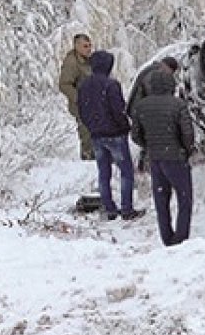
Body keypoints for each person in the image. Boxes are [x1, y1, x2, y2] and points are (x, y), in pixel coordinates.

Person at [131, 68, 195, 245]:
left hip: (155, 158)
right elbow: (187, 133)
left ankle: (167, 238)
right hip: (176, 158)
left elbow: (135, 135)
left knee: (161, 200)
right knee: (184, 198)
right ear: (171, 84)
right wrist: (186, 149)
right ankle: (181, 238)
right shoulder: (178, 105)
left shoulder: (141, 106)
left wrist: (149, 145)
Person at [78, 50, 141, 220]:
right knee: (126, 172)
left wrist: (91, 126)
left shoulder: (84, 85)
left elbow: (82, 110)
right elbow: (118, 110)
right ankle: (127, 209)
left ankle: (109, 208)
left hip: (96, 135)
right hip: (115, 134)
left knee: (103, 172)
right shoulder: (111, 85)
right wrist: (125, 126)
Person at [127, 56, 180, 172]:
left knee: (148, 139)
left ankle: (146, 165)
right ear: (168, 67)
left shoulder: (151, 69)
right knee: (150, 139)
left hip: (139, 109)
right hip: (143, 111)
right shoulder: (154, 74)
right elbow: (156, 94)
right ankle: (147, 166)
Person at [58, 33, 95, 160]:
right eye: (85, 46)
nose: (89, 49)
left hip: (92, 102)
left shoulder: (88, 60)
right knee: (86, 133)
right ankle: (87, 157)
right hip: (80, 105)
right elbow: (64, 84)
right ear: (77, 46)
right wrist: (79, 98)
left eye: (90, 46)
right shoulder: (71, 62)